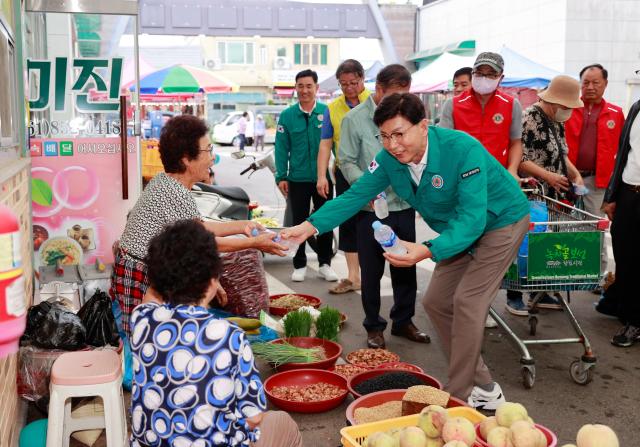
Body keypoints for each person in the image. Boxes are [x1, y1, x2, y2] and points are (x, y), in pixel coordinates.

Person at [282, 93, 530, 408]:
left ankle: (457, 397)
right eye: (384, 136)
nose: (392, 144)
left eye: (399, 134)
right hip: (456, 231)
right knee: (437, 302)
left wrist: (426, 250)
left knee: (467, 301)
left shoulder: (462, 149)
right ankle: (486, 387)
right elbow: (355, 195)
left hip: (500, 223)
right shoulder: (388, 160)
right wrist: (309, 226)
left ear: (423, 126)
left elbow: (472, 220)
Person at [130, 219, 303, 447]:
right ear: (213, 282)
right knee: (282, 422)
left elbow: (152, 294)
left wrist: (165, 274)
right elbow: (254, 417)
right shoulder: (229, 336)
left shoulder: (141, 318)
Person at [111, 115, 285, 336]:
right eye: (208, 150)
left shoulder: (166, 182)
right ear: (186, 159)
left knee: (157, 338)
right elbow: (202, 242)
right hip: (141, 275)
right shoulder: (175, 192)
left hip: (144, 270)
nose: (213, 158)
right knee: (146, 337)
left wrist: (244, 225)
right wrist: (254, 243)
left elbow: (198, 228)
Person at [339, 64, 429, 349]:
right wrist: (364, 187)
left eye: (406, 95)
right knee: (372, 270)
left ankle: (403, 321)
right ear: (378, 90)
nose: (401, 103)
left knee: (406, 267)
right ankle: (374, 326)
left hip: (402, 205)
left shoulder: (409, 116)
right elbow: (346, 161)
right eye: (394, 95)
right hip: (371, 210)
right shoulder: (354, 120)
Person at [439, 52, 525, 318]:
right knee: (464, 242)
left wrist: (512, 169)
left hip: (497, 188)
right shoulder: (453, 105)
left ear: (501, 77)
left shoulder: (511, 105)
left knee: (490, 244)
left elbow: (516, 143)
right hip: (462, 186)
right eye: (480, 73)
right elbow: (445, 145)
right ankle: (461, 301)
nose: (483, 78)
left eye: (490, 74)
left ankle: (478, 305)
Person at [516, 76, 586, 312]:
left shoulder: (557, 121)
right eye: (567, 107)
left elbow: (561, 155)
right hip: (531, 192)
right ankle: (514, 293)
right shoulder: (530, 118)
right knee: (524, 243)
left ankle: (541, 291)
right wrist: (548, 177)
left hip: (552, 194)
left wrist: (575, 175)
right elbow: (520, 160)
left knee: (545, 244)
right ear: (555, 103)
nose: (569, 112)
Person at [274, 69, 338, 283]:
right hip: (297, 179)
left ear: (316, 88)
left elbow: (334, 143)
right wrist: (281, 175)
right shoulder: (287, 116)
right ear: (296, 88)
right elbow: (281, 149)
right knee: (297, 222)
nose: (304, 90)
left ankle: (325, 264)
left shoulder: (327, 112)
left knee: (326, 221)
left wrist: (338, 168)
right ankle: (299, 264)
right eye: (300, 86)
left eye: (309, 86)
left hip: (323, 178)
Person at [317, 59, 371, 294]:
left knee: (376, 222)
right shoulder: (333, 108)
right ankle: (353, 277)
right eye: (343, 84)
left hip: (374, 172)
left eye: (353, 83)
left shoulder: (376, 100)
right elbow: (325, 145)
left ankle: (372, 272)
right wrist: (322, 176)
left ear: (362, 79)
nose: (349, 88)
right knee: (348, 222)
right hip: (345, 173)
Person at [598, 91, 640, 347]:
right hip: (628, 192)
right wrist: (612, 195)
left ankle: (635, 321)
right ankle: (624, 306)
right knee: (624, 252)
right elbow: (622, 153)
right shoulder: (636, 108)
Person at [565, 64, 625, 217]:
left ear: (605, 83)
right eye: (585, 83)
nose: (590, 87)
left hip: (598, 181)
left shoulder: (616, 114)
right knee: (562, 223)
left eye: (596, 82)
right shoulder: (566, 108)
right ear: (580, 84)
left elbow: (623, 148)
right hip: (566, 178)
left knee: (594, 225)